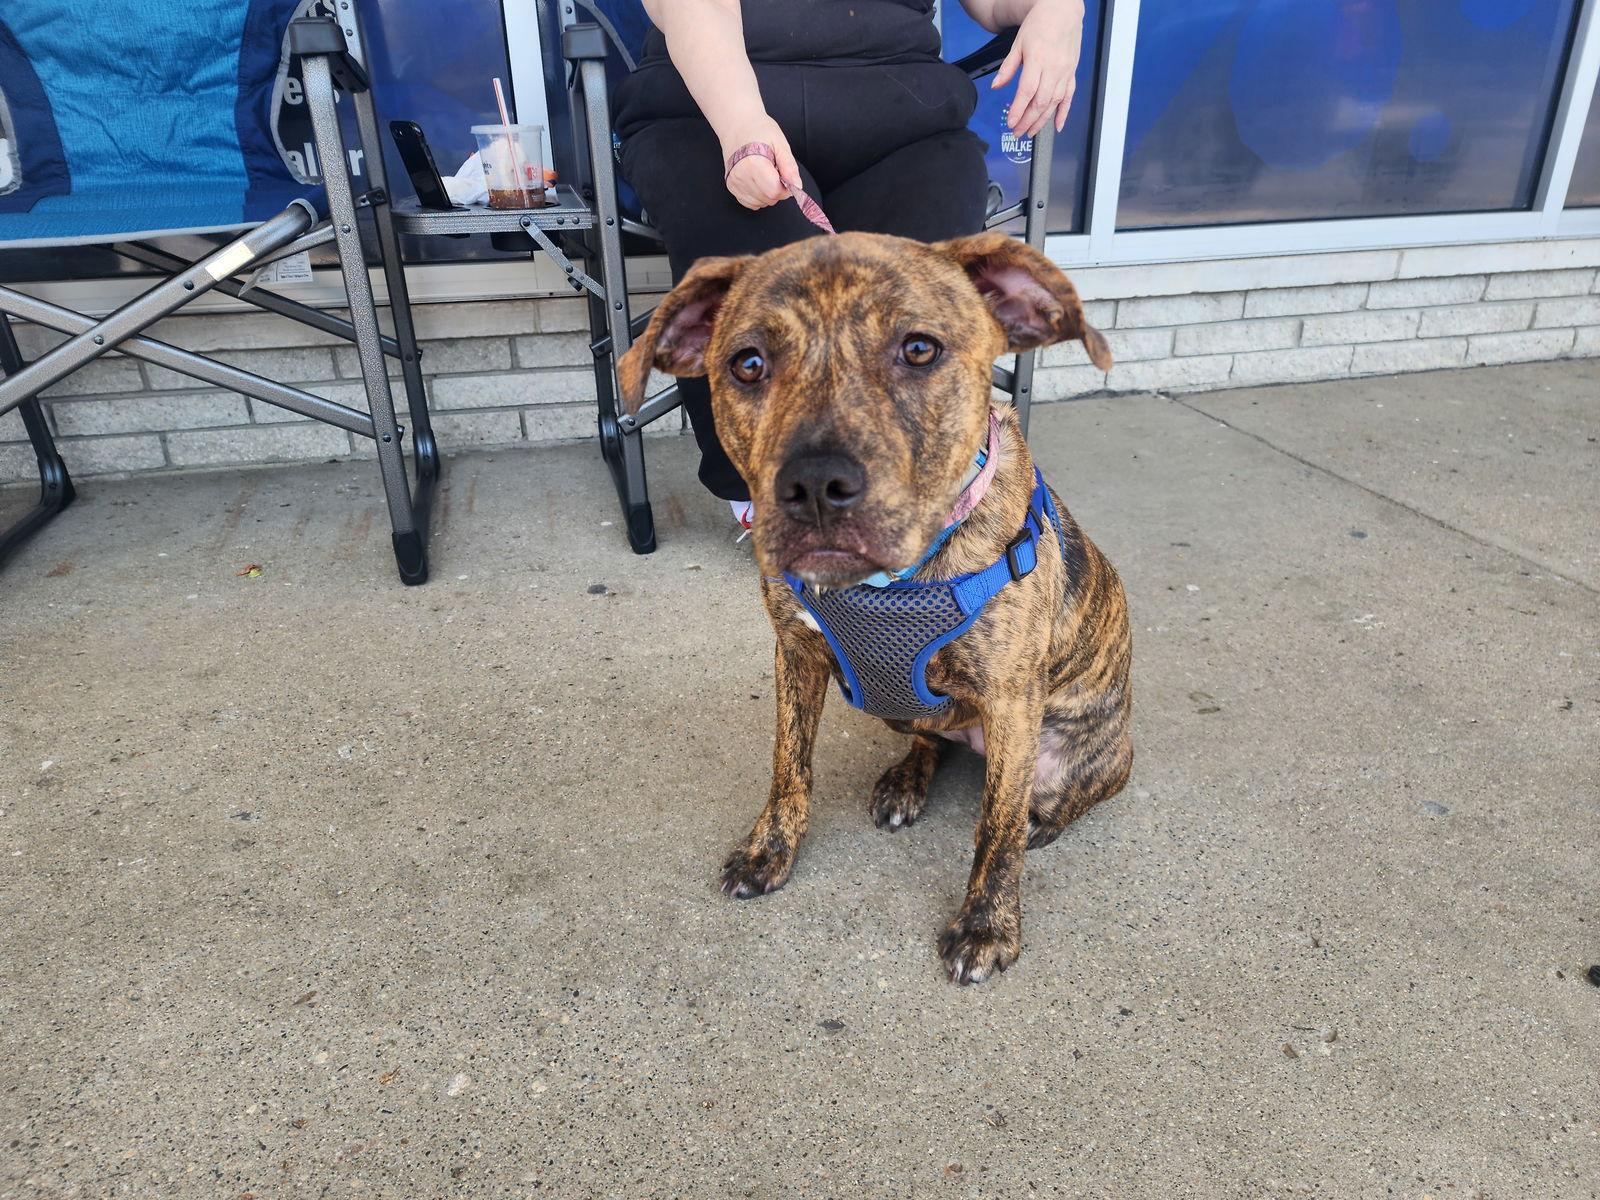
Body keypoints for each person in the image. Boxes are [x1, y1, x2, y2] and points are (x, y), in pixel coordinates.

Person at [614, 0, 1085, 531]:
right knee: (774, 287)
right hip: (711, 102)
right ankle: (765, 491)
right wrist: (741, 123)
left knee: (914, 299)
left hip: (904, 115)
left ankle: (897, 477)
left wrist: (1058, 10)